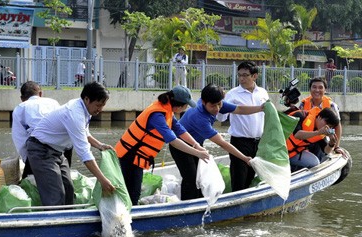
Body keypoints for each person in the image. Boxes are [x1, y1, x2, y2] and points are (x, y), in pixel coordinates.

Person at [115, 85, 209, 205]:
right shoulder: (157, 115)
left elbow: (180, 130)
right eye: (186, 106)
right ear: (179, 105)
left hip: (137, 155)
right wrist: (198, 153)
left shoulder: (167, 110)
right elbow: (173, 140)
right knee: (133, 193)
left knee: (133, 190)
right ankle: (129, 219)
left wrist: (196, 145)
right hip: (130, 154)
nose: (186, 108)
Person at [26, 82, 116, 207]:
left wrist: (99, 145)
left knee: (69, 190)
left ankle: (66, 219)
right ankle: (55, 223)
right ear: (87, 99)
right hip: (41, 150)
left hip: (57, 151)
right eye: (98, 105)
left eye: (103, 105)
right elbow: (85, 154)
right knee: (56, 195)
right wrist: (102, 180)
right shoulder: (75, 113)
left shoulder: (84, 108)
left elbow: (84, 132)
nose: (100, 110)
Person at [170, 83, 265, 200]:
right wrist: (244, 158)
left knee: (200, 177)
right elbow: (222, 143)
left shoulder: (215, 102)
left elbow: (239, 109)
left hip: (197, 145)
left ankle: (200, 201)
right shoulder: (199, 117)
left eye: (220, 104)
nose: (217, 109)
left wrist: (260, 108)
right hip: (180, 146)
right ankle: (186, 208)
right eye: (213, 106)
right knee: (191, 178)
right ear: (203, 102)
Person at [216, 61, 269, 192]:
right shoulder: (232, 94)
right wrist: (221, 108)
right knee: (239, 176)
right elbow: (221, 117)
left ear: (255, 76)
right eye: (239, 75)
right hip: (239, 142)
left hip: (258, 142)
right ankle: (235, 206)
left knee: (250, 176)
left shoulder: (262, 93)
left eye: (245, 75)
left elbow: (268, 116)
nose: (241, 78)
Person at [12, 81, 61, 179]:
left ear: (22, 99)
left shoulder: (21, 108)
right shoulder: (53, 103)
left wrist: (27, 160)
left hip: (37, 148)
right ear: (41, 94)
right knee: (61, 179)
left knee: (29, 183)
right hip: (59, 146)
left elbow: (19, 138)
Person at [299, 77, 344, 154]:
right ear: (310, 89)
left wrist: (336, 146)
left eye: (320, 87)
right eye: (314, 87)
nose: (317, 90)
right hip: (305, 137)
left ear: (325, 90)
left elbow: (337, 126)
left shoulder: (332, 106)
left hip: (323, 138)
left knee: (323, 153)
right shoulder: (303, 104)